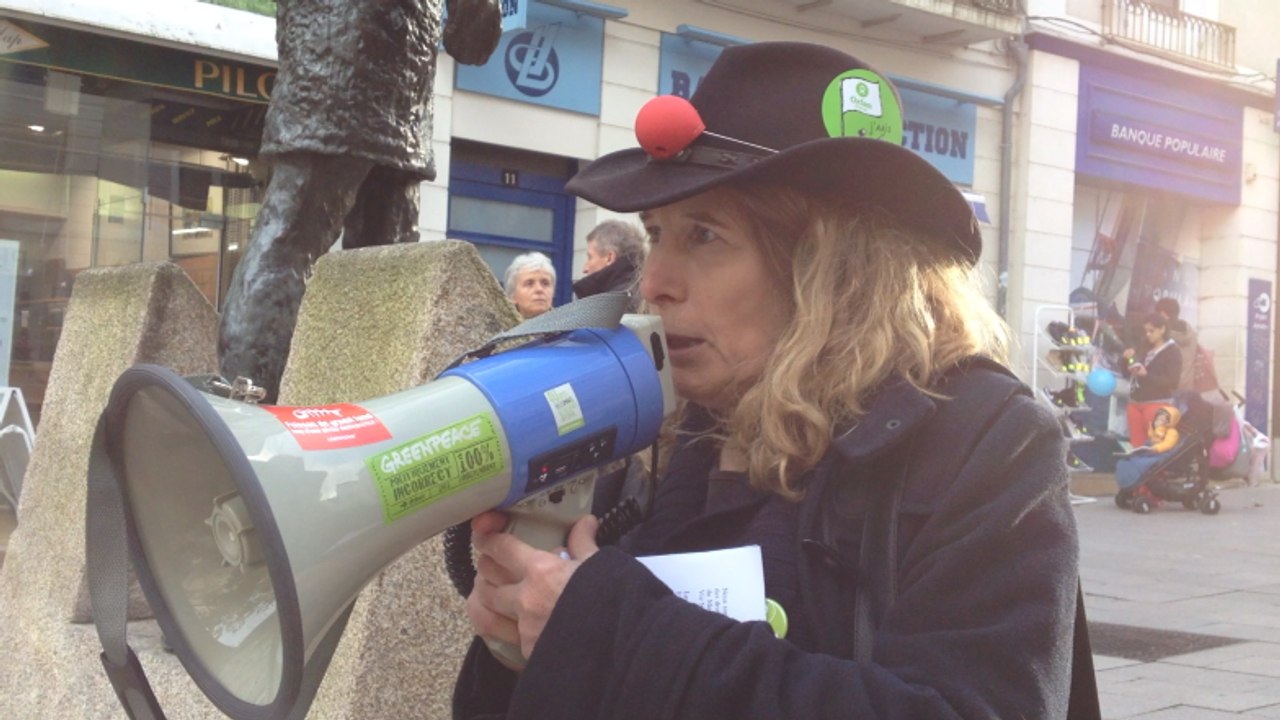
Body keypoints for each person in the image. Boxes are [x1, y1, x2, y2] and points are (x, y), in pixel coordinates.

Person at [454, 42, 1092, 719]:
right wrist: (521, 641)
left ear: (833, 272)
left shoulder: (988, 441)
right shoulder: (664, 434)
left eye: (704, 235)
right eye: (657, 233)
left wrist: (612, 636)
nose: (654, 282)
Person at [217, 0, 502, 402]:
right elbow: (473, 39)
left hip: (383, 83)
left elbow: (472, 38)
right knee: (296, 241)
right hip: (355, 73)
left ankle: (266, 404)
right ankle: (244, 404)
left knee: (369, 256)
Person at [1124, 313, 1182, 448]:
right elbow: (1128, 371)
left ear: (1162, 329)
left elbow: (1173, 381)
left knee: (1155, 444)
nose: (1148, 335)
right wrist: (1127, 359)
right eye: (1146, 331)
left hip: (1157, 403)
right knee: (1136, 445)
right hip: (1135, 402)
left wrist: (1147, 375)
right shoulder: (1145, 347)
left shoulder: (1172, 351)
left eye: (1151, 331)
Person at [572, 219, 646, 310]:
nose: (584, 268)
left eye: (590, 257)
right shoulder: (642, 292)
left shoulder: (614, 305)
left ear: (609, 258)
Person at [503, 252, 556, 319]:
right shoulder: (499, 324)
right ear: (512, 296)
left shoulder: (566, 324)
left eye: (545, 283)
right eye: (529, 284)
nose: (539, 289)